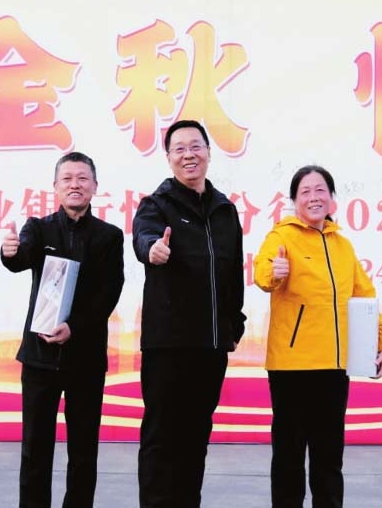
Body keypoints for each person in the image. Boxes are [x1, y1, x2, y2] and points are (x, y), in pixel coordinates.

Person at [253, 165, 382, 508]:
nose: (313, 197)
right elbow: (262, 272)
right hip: (291, 367)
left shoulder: (342, 246)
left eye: (320, 190)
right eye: (305, 191)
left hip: (333, 366)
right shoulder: (281, 237)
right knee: (289, 458)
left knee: (329, 458)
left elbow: (364, 296)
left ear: (331, 199)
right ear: (294, 201)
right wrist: (274, 272)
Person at [132, 119, 246, 508]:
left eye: (195, 146)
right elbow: (144, 237)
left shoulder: (225, 210)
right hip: (168, 346)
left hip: (210, 346)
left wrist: (234, 325)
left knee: (196, 437)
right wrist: (152, 249)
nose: (188, 155)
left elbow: (233, 274)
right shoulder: (156, 205)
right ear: (169, 158)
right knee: (162, 437)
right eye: (179, 149)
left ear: (208, 153)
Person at [1, 151, 125, 508]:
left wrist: (75, 327)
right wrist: (9, 253)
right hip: (40, 358)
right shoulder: (39, 228)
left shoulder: (109, 236)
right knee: (35, 449)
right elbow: (21, 258)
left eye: (82, 178)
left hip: (86, 358)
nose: (75, 185)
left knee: (83, 451)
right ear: (55, 187)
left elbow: (110, 292)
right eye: (67, 179)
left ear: (95, 186)